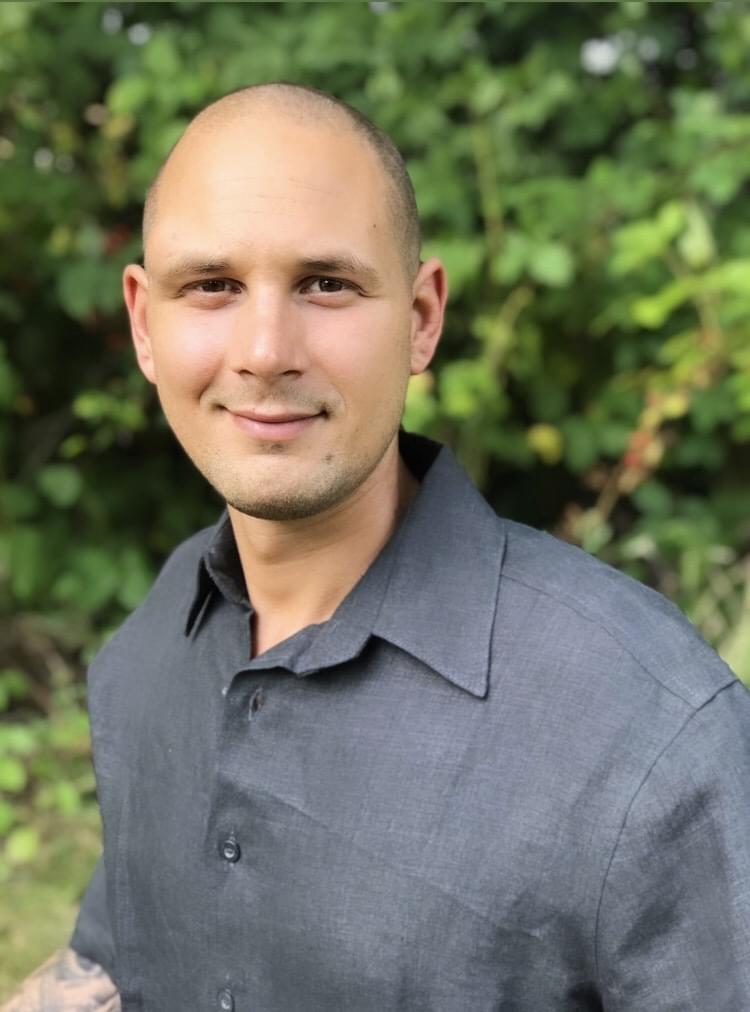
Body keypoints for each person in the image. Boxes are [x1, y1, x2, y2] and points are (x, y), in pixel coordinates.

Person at [4, 82, 750, 1012]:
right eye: (212, 286)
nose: (266, 350)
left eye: (327, 283)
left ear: (422, 318)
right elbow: (116, 962)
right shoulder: (157, 641)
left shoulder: (649, 732)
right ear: (144, 323)